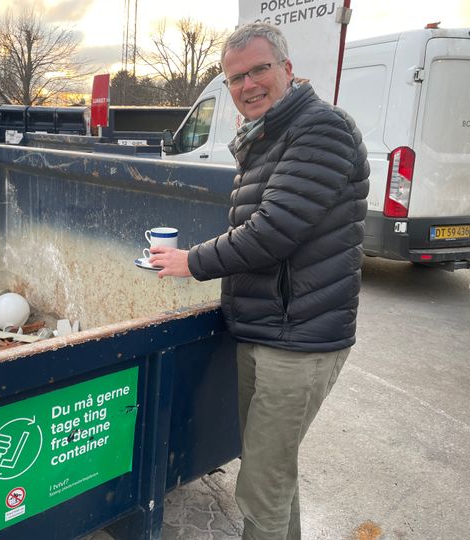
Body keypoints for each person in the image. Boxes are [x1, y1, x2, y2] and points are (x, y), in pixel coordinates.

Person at [149, 22, 370, 540]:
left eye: (258, 70)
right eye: (235, 78)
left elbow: (274, 231)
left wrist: (192, 261)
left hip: (300, 341)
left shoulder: (322, 129)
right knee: (271, 475)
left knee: (262, 485)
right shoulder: (268, 137)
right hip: (268, 330)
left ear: (287, 70)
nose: (247, 85)